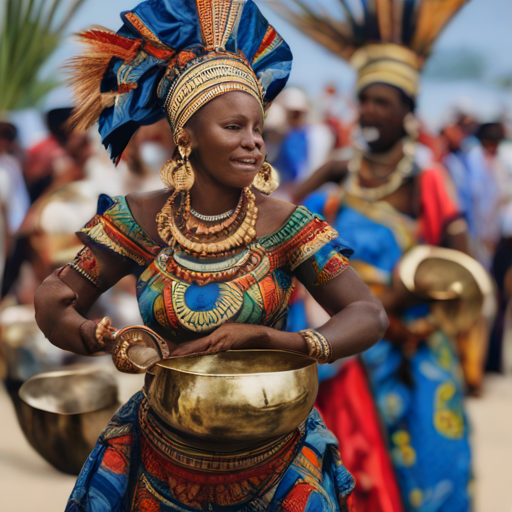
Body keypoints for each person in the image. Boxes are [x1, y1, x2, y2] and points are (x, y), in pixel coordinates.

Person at [33, 1, 388, 510]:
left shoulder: (287, 224)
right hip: (160, 457)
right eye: (234, 128)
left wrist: (278, 340)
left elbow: (367, 314)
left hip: (278, 462)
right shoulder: (138, 221)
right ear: (186, 139)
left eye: (258, 129)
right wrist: (107, 339)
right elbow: (53, 299)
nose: (254, 144)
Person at [273, 1, 474, 511]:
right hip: (348, 346)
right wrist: (321, 175)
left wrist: (403, 296)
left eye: (383, 103)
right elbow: (282, 229)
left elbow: (463, 267)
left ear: (408, 110)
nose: (369, 112)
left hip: (411, 342)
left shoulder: (426, 179)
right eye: (364, 101)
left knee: (427, 464)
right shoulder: (341, 178)